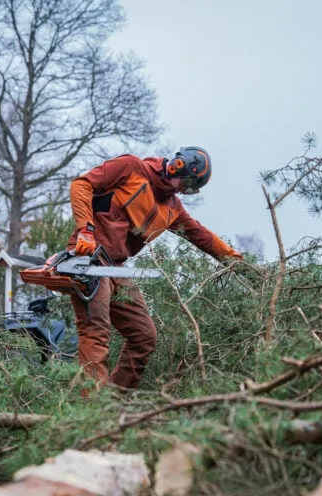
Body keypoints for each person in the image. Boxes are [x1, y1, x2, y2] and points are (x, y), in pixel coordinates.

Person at [65, 146, 243, 394]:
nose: (185, 189)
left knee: (144, 336)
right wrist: (86, 229)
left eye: (191, 188)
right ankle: (91, 412)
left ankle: (113, 404)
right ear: (179, 166)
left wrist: (236, 262)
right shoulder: (130, 167)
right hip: (90, 259)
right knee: (96, 332)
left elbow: (201, 235)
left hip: (116, 267)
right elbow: (81, 185)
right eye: (188, 183)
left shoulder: (172, 208)